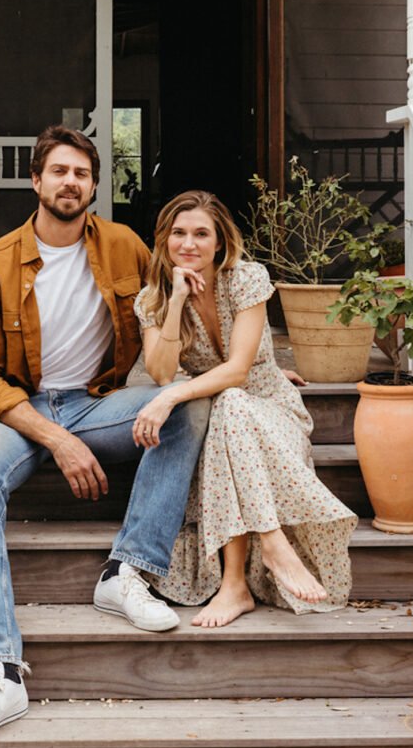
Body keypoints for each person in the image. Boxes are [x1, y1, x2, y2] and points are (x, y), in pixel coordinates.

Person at [0, 127, 209, 748]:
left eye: (82, 174)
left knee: (187, 408)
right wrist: (54, 439)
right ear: (36, 182)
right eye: (59, 171)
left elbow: (189, 298)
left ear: (94, 185)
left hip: (95, 405)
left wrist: (249, 363)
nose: (71, 183)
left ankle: (128, 571)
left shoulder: (125, 247)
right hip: (14, 413)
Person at [130, 189, 357, 628]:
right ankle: (257, 556)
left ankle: (241, 577)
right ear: (163, 240)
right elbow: (161, 370)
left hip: (271, 411)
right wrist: (176, 301)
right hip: (222, 421)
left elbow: (235, 371)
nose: (189, 244)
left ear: (220, 242)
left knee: (231, 400)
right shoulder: (152, 300)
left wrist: (172, 396)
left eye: (201, 234)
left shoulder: (246, 279)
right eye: (178, 233)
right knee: (226, 409)